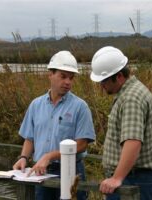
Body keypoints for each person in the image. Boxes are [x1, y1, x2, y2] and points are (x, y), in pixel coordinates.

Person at [13, 50, 96, 200]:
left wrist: (50, 156)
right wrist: (24, 157)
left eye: (71, 78)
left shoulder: (80, 107)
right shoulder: (36, 105)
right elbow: (30, 138)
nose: (67, 82)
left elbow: (82, 144)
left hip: (71, 170)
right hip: (40, 171)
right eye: (63, 76)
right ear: (50, 74)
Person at [90, 46, 152, 200]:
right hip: (133, 177)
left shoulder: (131, 98)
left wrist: (117, 178)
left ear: (119, 76)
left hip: (134, 179)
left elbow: (133, 142)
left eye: (103, 80)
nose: (101, 86)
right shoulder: (131, 93)